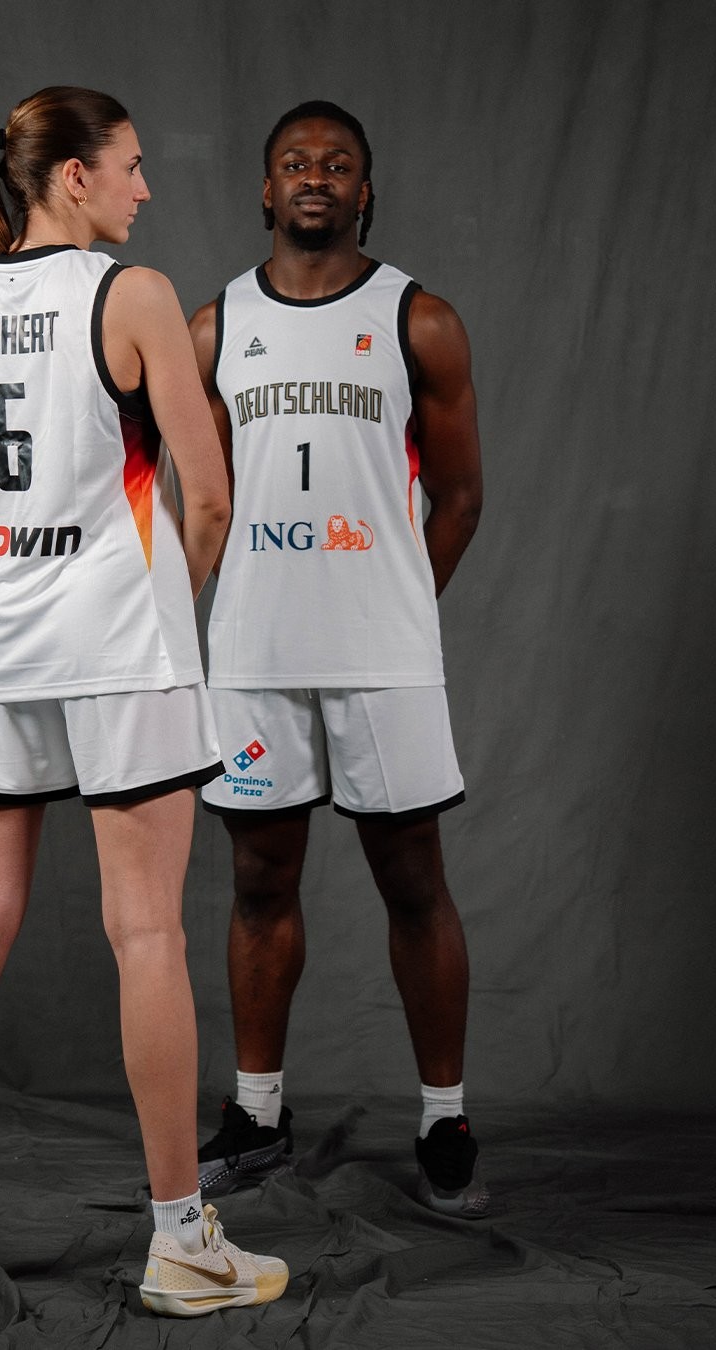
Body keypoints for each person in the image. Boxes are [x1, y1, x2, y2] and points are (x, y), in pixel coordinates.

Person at [0, 86, 288, 1317]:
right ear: (72, 176)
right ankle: (181, 1242)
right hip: (122, 649)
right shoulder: (135, 295)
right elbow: (208, 497)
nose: (144, 188)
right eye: (131, 165)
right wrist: (161, 602)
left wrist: (31, 574)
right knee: (147, 933)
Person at [190, 101, 488, 1218]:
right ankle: (258, 1113)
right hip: (254, 652)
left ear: (367, 192)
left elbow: (460, 498)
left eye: (338, 163)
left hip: (381, 657)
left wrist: (393, 606)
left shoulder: (421, 321)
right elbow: (198, 501)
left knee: (414, 883)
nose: (315, 176)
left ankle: (445, 1116)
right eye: (294, 162)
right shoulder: (213, 328)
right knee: (259, 882)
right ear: (265, 190)